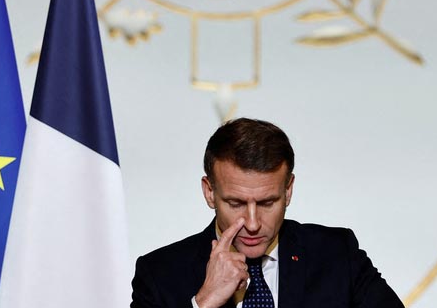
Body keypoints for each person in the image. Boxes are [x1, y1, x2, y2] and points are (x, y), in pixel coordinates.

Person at [131, 118, 404, 308]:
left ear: (288, 191)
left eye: (267, 203)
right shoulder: (159, 274)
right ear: (209, 192)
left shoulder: (337, 255)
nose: (252, 224)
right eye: (236, 203)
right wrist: (204, 302)